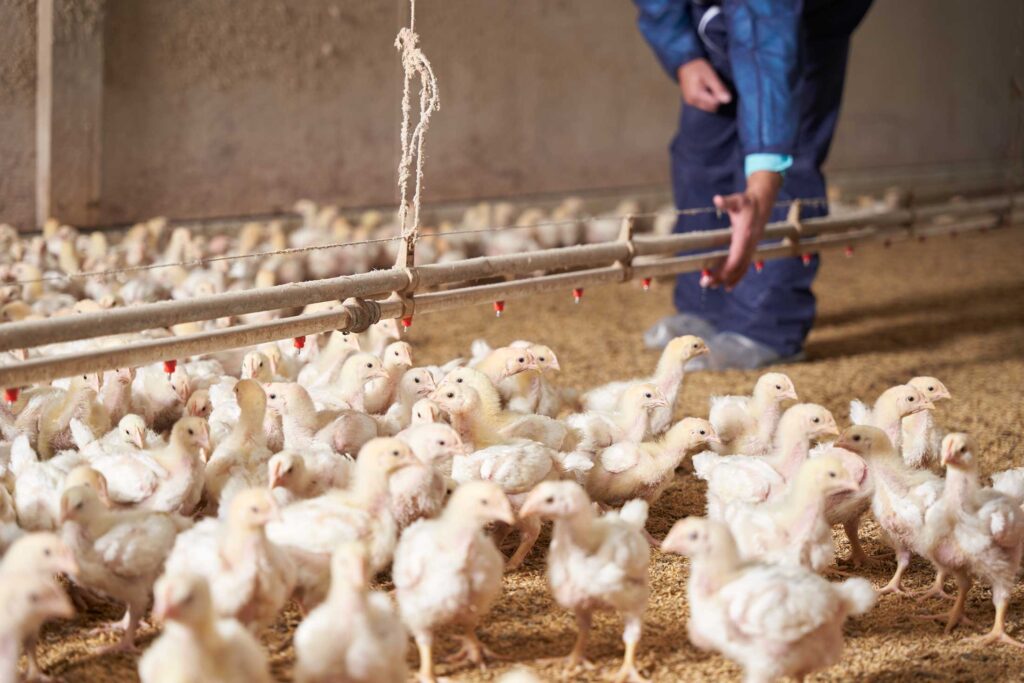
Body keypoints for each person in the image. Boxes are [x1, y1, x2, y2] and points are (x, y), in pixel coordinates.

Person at [634, 0, 873, 369]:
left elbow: (767, 37)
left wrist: (764, 175)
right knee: (699, 153)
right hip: (716, 18)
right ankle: (705, 305)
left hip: (796, 21)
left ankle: (765, 326)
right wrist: (684, 55)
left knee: (786, 156)